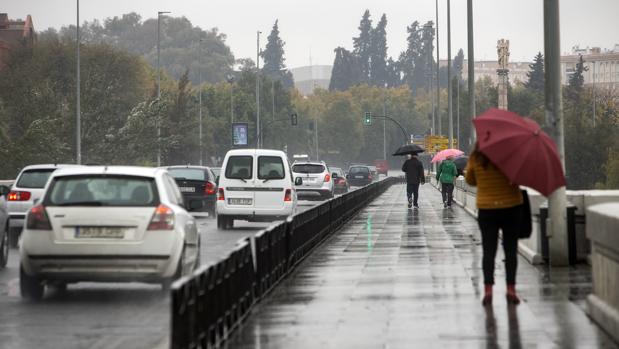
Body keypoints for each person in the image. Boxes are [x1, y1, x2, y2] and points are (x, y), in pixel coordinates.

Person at [465, 142, 523, 306]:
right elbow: (519, 176)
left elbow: (469, 179)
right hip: (511, 207)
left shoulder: (476, 156)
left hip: (487, 209)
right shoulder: (512, 156)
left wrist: (483, 180)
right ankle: (511, 289)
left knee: (488, 251)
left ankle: (488, 290)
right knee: (511, 250)